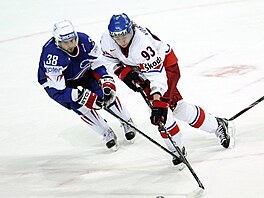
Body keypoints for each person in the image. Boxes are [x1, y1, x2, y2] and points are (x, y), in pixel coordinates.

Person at [100, 13, 232, 165]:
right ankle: (191, 140)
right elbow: (107, 59)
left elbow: (158, 76)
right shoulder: (107, 39)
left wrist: (158, 100)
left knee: (164, 112)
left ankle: (204, 133)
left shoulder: (142, 45)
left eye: (126, 35)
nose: (122, 41)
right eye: (118, 37)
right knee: (170, 111)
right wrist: (121, 71)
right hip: (142, 69)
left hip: (166, 68)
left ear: (132, 29)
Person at [37, 20, 136, 151]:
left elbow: (97, 63)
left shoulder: (84, 40)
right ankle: (106, 132)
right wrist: (80, 96)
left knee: (106, 95)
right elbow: (59, 90)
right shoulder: (52, 57)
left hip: (82, 72)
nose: (71, 44)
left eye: (73, 40)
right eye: (66, 42)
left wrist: (105, 79)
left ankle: (127, 122)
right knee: (81, 107)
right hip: (60, 85)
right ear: (58, 42)